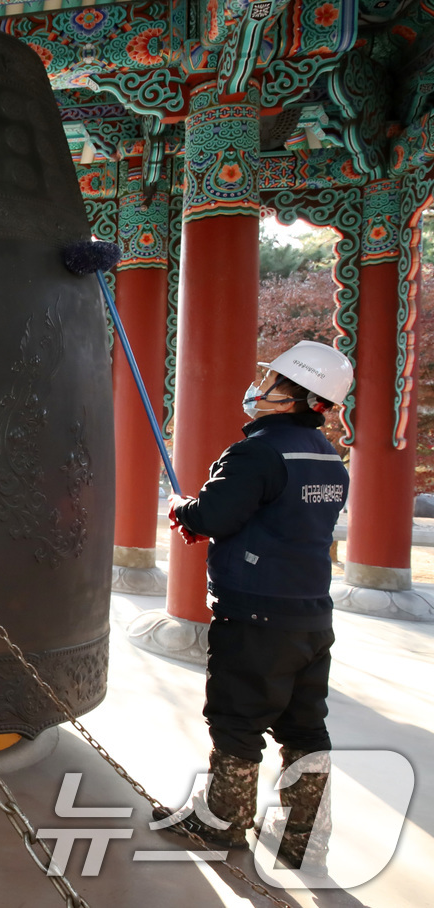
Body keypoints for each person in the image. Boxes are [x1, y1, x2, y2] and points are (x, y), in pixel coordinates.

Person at [161, 340, 353, 871]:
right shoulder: (328, 459)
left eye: (271, 382)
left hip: (256, 615)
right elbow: (280, 518)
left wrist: (186, 510)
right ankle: (304, 840)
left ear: (292, 397)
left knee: (236, 718)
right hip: (311, 616)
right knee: (304, 728)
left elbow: (213, 516)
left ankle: (221, 822)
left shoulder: (256, 452)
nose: (259, 387)